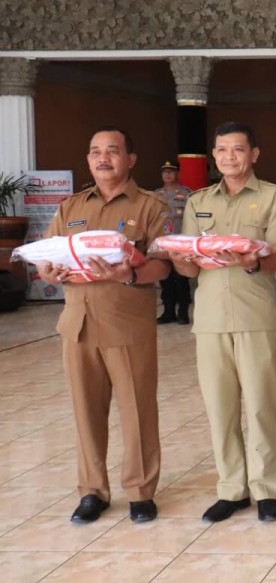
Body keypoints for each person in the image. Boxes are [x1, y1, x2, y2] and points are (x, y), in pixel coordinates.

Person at [36, 127, 171, 524]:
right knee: (86, 412)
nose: (103, 158)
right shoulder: (71, 207)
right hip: (77, 325)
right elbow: (47, 261)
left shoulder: (150, 207)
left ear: (130, 159)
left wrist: (129, 272)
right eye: (95, 151)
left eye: (112, 151)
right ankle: (92, 490)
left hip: (127, 325)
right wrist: (49, 272)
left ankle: (141, 491)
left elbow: (164, 265)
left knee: (136, 411)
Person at [172, 123, 276, 523]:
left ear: (254, 154)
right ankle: (231, 488)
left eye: (238, 150)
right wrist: (179, 259)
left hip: (255, 314)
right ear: (213, 154)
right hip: (207, 319)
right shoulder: (198, 202)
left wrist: (255, 261)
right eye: (222, 150)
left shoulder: (275, 197)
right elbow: (189, 266)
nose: (229, 157)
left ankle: (266, 488)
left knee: (260, 405)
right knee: (219, 407)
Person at [155, 160, 192, 324]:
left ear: (178, 174)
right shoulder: (155, 195)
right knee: (165, 279)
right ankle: (168, 311)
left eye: (171, 171)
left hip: (180, 244)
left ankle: (183, 312)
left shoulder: (187, 194)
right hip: (163, 244)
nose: (167, 174)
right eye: (165, 172)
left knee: (181, 279)